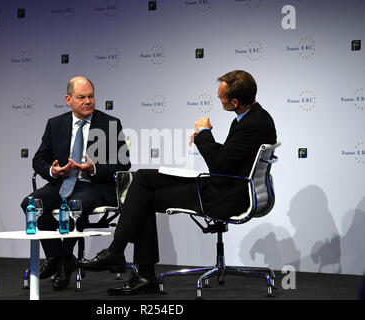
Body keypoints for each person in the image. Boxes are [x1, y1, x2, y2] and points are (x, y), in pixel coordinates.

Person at [78, 70, 277, 295]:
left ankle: (132, 265)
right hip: (227, 188)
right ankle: (128, 263)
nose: (218, 100)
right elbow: (233, 158)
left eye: (221, 97)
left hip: (225, 197)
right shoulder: (256, 117)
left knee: (144, 195)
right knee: (143, 178)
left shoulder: (251, 124)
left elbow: (219, 164)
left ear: (235, 102)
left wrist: (204, 132)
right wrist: (205, 139)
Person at [21, 76, 131, 290]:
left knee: (74, 207)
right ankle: (61, 257)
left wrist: (94, 168)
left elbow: (123, 163)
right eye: (82, 97)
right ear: (68, 99)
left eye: (91, 96)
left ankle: (59, 262)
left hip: (93, 185)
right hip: (61, 184)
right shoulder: (55, 124)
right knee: (31, 204)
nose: (88, 101)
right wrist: (53, 170)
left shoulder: (109, 123)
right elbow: (38, 160)